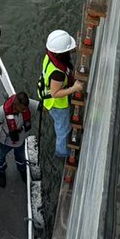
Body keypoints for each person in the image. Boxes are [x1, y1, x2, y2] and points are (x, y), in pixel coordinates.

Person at [38, 30, 82, 159]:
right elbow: (55, 93)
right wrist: (74, 88)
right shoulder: (58, 73)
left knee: (60, 124)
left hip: (46, 95)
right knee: (63, 128)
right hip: (57, 104)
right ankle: (62, 152)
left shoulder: (50, 55)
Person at [0, 91, 39, 187]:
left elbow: (41, 107)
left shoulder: (27, 104)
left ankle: (22, 170)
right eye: (22, 109)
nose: (24, 110)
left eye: (25, 108)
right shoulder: (2, 111)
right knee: (1, 157)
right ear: (15, 104)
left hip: (20, 141)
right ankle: (1, 172)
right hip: (5, 141)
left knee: (21, 158)